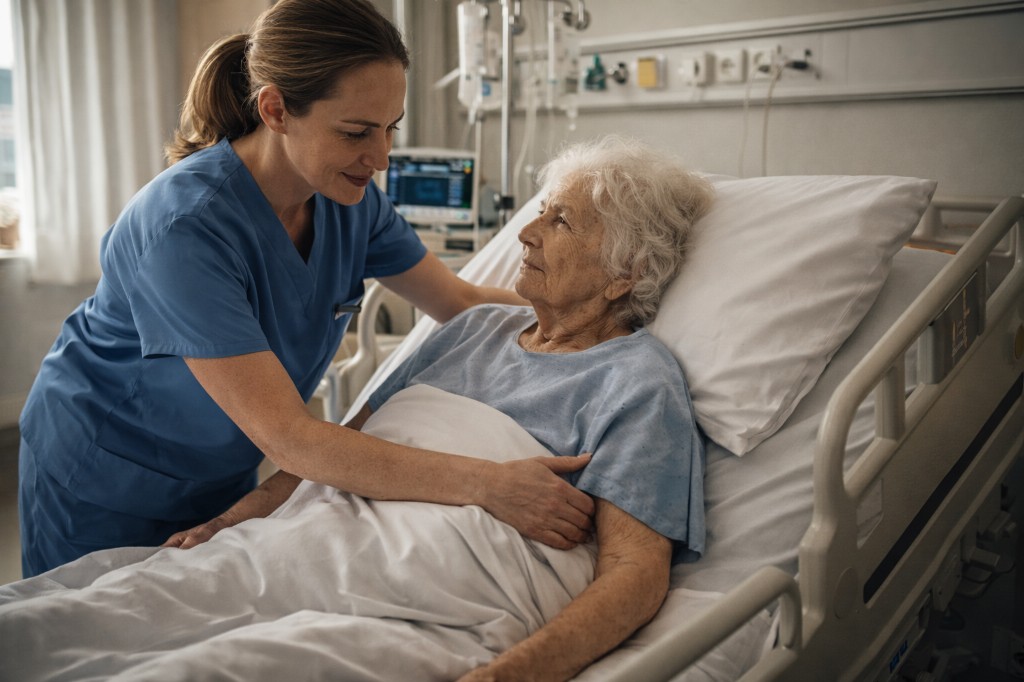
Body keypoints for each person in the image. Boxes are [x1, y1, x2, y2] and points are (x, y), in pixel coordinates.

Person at [1, 135, 714, 681]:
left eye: (559, 222)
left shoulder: (637, 381)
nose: (526, 232)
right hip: (247, 525)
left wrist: (516, 672)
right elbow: (337, 448)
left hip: (428, 602)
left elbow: (634, 570)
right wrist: (232, 522)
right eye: (540, 212)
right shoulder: (472, 334)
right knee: (71, 618)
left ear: (627, 274)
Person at [16, 0, 594, 578]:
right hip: (104, 472)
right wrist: (490, 484)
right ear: (275, 110)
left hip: (223, 465)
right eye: (356, 132)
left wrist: (595, 310)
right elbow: (293, 439)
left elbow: (460, 302)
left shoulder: (352, 201)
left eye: (390, 129)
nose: (382, 158)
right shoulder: (184, 228)